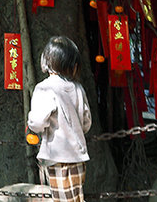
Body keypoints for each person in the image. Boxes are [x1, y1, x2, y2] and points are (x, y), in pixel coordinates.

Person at [27, 36, 92, 202]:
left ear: (46, 61)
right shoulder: (78, 88)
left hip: (58, 158)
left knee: (62, 199)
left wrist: (31, 123)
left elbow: (38, 122)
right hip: (78, 157)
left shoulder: (45, 88)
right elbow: (86, 123)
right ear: (73, 65)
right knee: (77, 198)